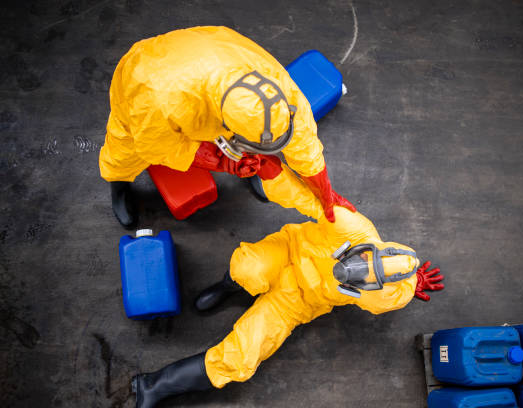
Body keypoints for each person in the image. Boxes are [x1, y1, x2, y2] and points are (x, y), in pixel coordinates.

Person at [131, 162, 445, 407]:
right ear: (369, 247)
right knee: (248, 267)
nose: (352, 269)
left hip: (299, 301)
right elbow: (307, 197)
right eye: (360, 260)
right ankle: (230, 287)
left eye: (364, 278)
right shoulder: (353, 225)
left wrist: (410, 284)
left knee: (242, 357)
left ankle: (153, 385)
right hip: (289, 251)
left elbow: (395, 293)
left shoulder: (390, 296)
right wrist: (271, 172)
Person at [99, 26, 354, 228]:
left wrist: (324, 192)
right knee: (124, 147)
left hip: (216, 53)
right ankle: (119, 184)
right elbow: (156, 146)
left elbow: (304, 141)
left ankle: (252, 165)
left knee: (254, 141)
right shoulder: (156, 99)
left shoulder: (279, 92)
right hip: (149, 73)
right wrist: (221, 162)